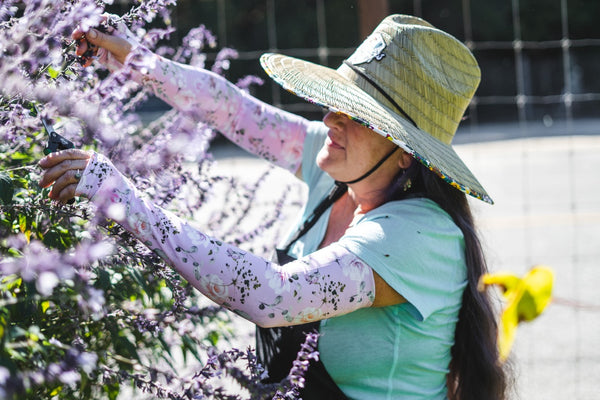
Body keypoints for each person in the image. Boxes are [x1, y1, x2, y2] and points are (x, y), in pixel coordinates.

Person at [39, 14, 508, 400]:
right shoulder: (342, 169)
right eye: (334, 102)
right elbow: (233, 110)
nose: (330, 119)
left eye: (357, 115)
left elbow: (272, 296)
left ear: (406, 153)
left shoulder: (418, 236)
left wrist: (121, 199)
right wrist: (136, 59)